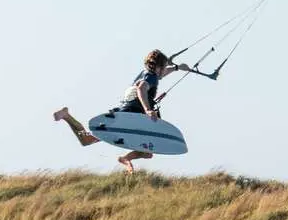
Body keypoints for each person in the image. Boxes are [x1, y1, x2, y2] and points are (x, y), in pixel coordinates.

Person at [54, 50, 190, 172]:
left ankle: (66, 116)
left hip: (121, 114)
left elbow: (159, 75)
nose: (165, 70)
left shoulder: (146, 73)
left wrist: (177, 68)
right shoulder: (151, 77)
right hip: (133, 116)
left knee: (86, 139)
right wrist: (148, 110)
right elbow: (142, 88)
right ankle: (125, 158)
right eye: (164, 67)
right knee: (147, 151)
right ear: (158, 67)